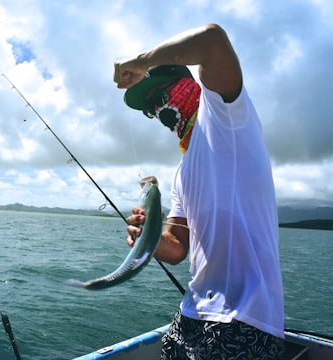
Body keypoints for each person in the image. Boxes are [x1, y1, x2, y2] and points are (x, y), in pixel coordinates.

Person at [114, 24, 285, 359]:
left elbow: (211, 40)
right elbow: (177, 248)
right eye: (151, 108)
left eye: (160, 96)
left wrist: (139, 61)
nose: (157, 112)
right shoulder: (181, 172)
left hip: (245, 321)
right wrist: (147, 234)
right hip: (191, 315)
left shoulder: (226, 116)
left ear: (189, 85)